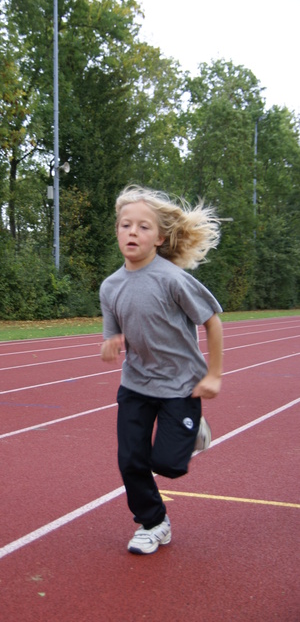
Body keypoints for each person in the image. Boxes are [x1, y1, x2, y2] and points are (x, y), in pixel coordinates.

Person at [100, 185, 223, 555]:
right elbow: (113, 331)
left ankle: (192, 432)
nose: (132, 232)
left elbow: (213, 322)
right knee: (130, 460)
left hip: (180, 385)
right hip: (136, 384)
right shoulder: (110, 287)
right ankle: (153, 523)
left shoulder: (172, 279)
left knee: (168, 465)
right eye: (125, 225)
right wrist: (111, 342)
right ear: (117, 232)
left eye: (143, 227)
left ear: (160, 238)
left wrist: (213, 374)